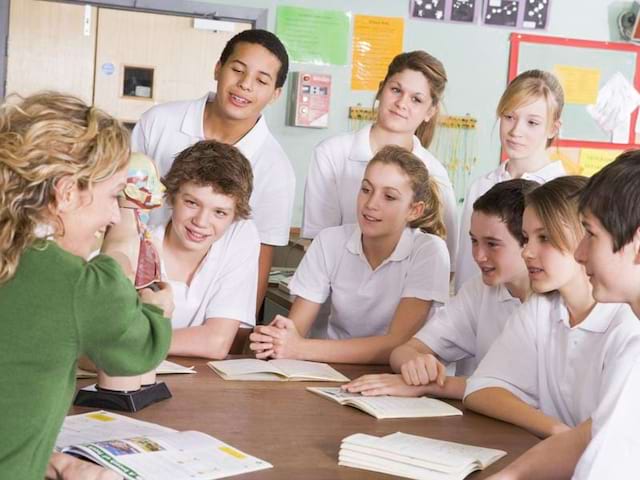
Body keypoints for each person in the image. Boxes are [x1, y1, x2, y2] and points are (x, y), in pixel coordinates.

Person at [0, 92, 173, 479]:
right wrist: (155, 305)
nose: (114, 214)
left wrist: (41, 459)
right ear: (65, 192)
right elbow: (139, 350)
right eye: (113, 196)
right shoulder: (76, 283)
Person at [484, 150, 640, 480]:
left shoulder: (629, 339)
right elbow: (590, 435)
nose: (581, 254)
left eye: (591, 234)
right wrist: (511, 475)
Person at [131, 29, 295, 311]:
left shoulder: (276, 168)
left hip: (210, 308)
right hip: (134, 281)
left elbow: (261, 256)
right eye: (237, 70)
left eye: (261, 80)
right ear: (218, 69)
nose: (245, 85)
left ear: (276, 94)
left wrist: (239, 333)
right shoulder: (158, 123)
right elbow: (123, 207)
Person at [249, 145, 450, 364]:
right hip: (328, 370)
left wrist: (300, 348)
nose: (371, 204)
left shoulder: (429, 251)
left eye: (389, 197)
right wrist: (277, 339)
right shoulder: (329, 241)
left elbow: (398, 344)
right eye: (366, 189)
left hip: (393, 376)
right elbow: (294, 330)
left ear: (414, 210)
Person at [343, 179, 537, 398]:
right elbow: (404, 350)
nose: (479, 256)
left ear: (528, 242)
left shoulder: (552, 304)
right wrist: (414, 363)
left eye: (492, 244)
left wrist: (432, 385)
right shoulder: (479, 291)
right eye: (474, 241)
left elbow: (516, 391)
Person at [302, 50, 458, 267]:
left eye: (416, 99)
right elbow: (317, 241)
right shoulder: (331, 153)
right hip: (333, 290)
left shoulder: (435, 173)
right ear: (380, 90)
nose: (401, 103)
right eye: (396, 90)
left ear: (429, 112)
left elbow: (444, 259)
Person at [455, 69, 566, 292]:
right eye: (509, 117)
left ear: (553, 128)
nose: (516, 131)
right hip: (475, 312)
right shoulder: (482, 186)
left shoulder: (562, 195)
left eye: (532, 122)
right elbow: (466, 265)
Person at [154, 140, 260, 359]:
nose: (201, 222)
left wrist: (136, 344)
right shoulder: (137, 239)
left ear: (234, 216)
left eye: (219, 212)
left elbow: (216, 342)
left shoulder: (241, 235)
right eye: (192, 203)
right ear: (172, 196)